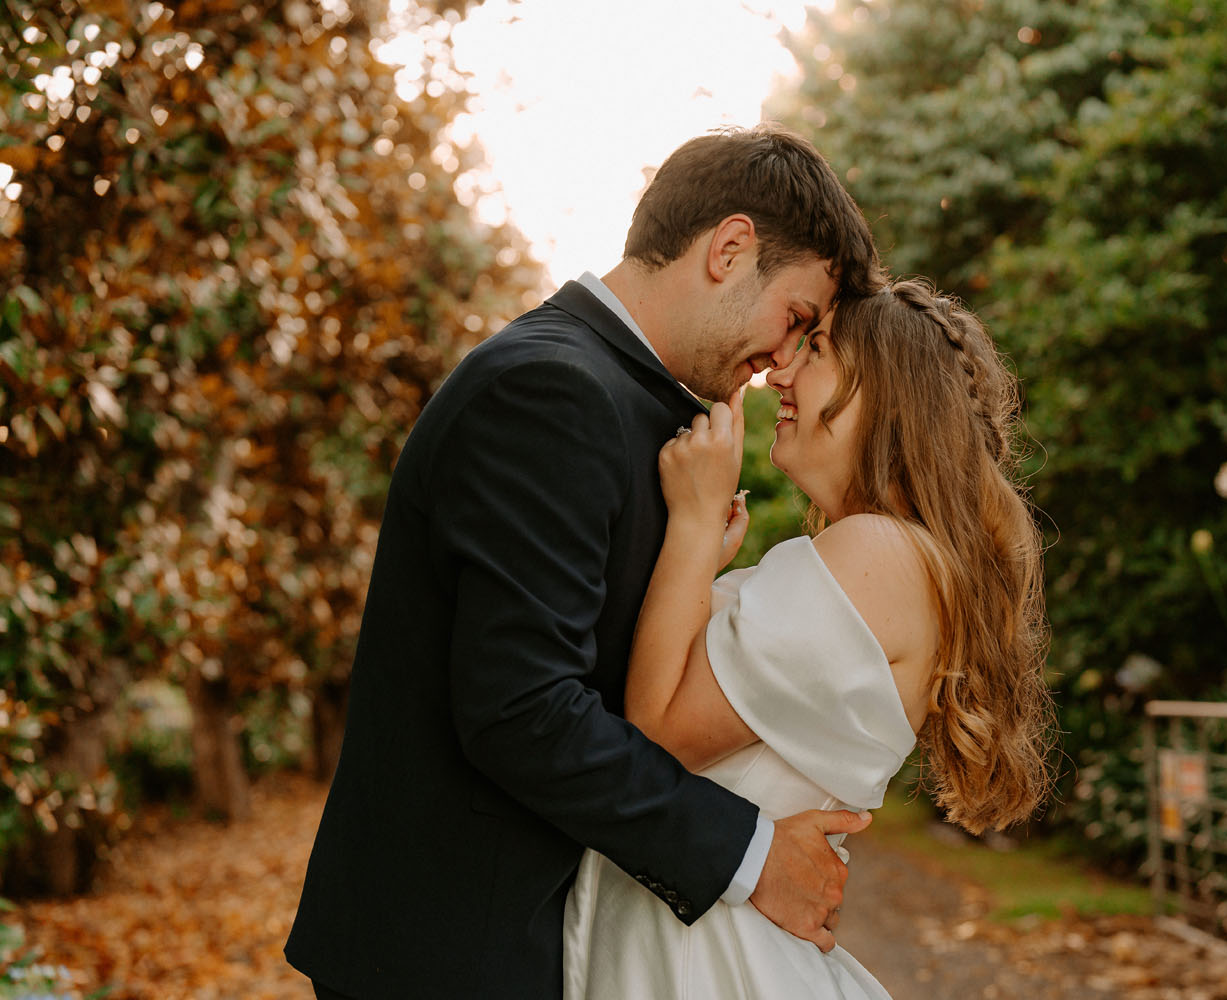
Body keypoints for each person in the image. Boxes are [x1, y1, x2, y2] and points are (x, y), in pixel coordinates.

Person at [284, 124, 883, 999]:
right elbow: (522, 708)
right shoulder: (551, 391)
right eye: (794, 318)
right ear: (729, 248)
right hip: (457, 959)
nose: (783, 362)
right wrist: (751, 855)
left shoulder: (625, 401)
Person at [562, 279, 1056, 998]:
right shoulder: (895, 560)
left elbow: (657, 735)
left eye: (816, 350)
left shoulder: (879, 553)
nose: (778, 373)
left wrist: (695, 528)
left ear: (888, 393)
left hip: (708, 960)